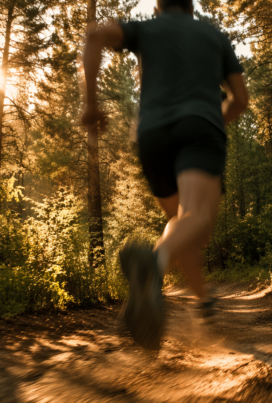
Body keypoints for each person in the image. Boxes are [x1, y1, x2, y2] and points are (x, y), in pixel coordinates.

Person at [81, 0, 249, 351]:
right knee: (198, 219)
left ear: (159, 7)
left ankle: (204, 303)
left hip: (152, 136)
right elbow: (240, 99)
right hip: (199, 128)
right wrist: (215, 117)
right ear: (191, 6)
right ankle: (156, 263)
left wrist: (91, 104)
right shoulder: (214, 35)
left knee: (180, 220)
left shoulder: (145, 28)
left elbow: (95, 35)